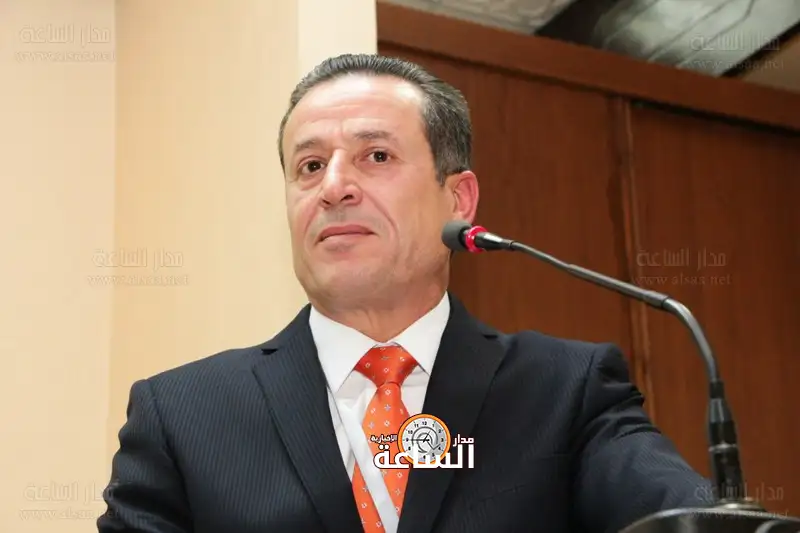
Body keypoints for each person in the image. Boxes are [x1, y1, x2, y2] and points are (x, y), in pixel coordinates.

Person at [98, 53, 712, 533]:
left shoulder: (565, 391)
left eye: (376, 155)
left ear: (458, 199)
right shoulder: (184, 415)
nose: (334, 187)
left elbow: (691, 523)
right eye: (310, 166)